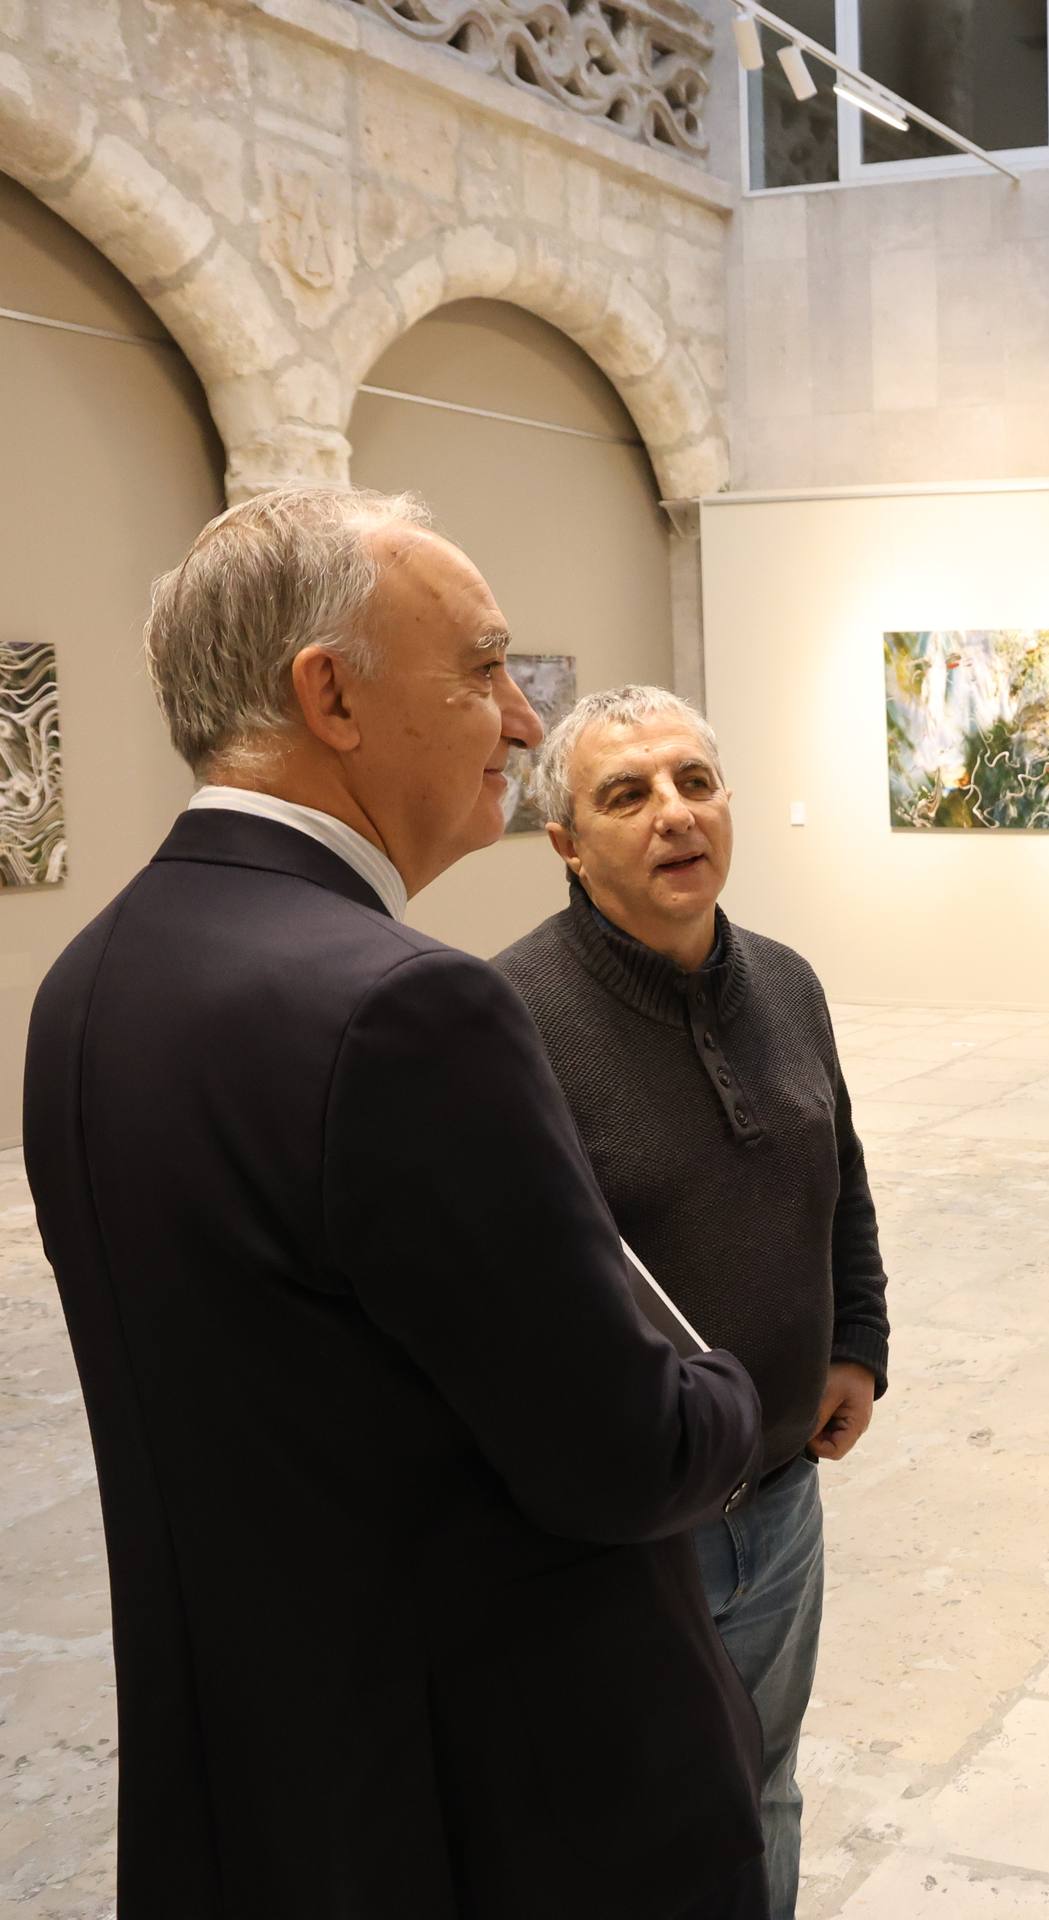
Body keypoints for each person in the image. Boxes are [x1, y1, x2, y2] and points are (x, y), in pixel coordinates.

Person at [24, 488, 771, 1919]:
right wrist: (738, 1396)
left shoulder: (91, 984)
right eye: (484, 668)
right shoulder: (406, 1011)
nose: (522, 720)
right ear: (332, 696)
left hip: (266, 1786)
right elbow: (612, 1451)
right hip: (499, 1806)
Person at [495, 685, 892, 1920]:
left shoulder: (786, 979)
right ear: (564, 842)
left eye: (694, 782)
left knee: (762, 1790)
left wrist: (857, 1343)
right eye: (627, 795)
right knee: (626, 1822)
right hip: (631, 1530)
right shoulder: (504, 1017)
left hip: (778, 1496)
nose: (674, 815)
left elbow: (844, 1177)